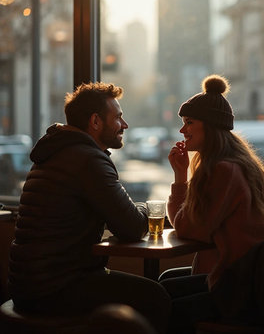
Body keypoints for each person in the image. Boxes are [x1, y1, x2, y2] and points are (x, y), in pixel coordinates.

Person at [8, 81, 171, 334]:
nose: (124, 125)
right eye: (118, 117)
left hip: (27, 286)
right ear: (95, 121)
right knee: (156, 296)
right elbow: (132, 227)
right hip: (57, 289)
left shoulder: (54, 153)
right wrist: (153, 211)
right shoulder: (88, 160)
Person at [159, 74, 264, 334]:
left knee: (159, 301)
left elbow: (185, 228)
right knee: (165, 282)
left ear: (211, 127)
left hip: (242, 292)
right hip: (254, 283)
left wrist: (180, 178)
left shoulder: (223, 171)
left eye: (189, 123)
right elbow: (190, 224)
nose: (182, 131)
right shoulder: (240, 164)